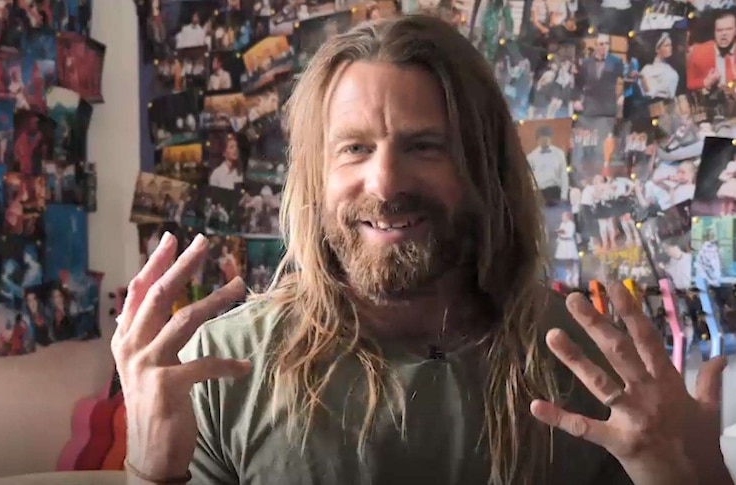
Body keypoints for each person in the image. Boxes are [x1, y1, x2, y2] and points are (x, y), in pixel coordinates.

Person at [112, 16, 732, 485]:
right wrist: (149, 470)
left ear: (483, 167)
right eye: (353, 148)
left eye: (425, 146)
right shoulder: (218, 368)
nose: (385, 184)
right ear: (314, 176)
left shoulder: (596, 369)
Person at [687, 10, 736, 92]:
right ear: (714, 32)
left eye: (729, 29)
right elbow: (688, 84)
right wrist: (705, 82)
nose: (724, 34)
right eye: (719, 30)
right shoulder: (699, 52)